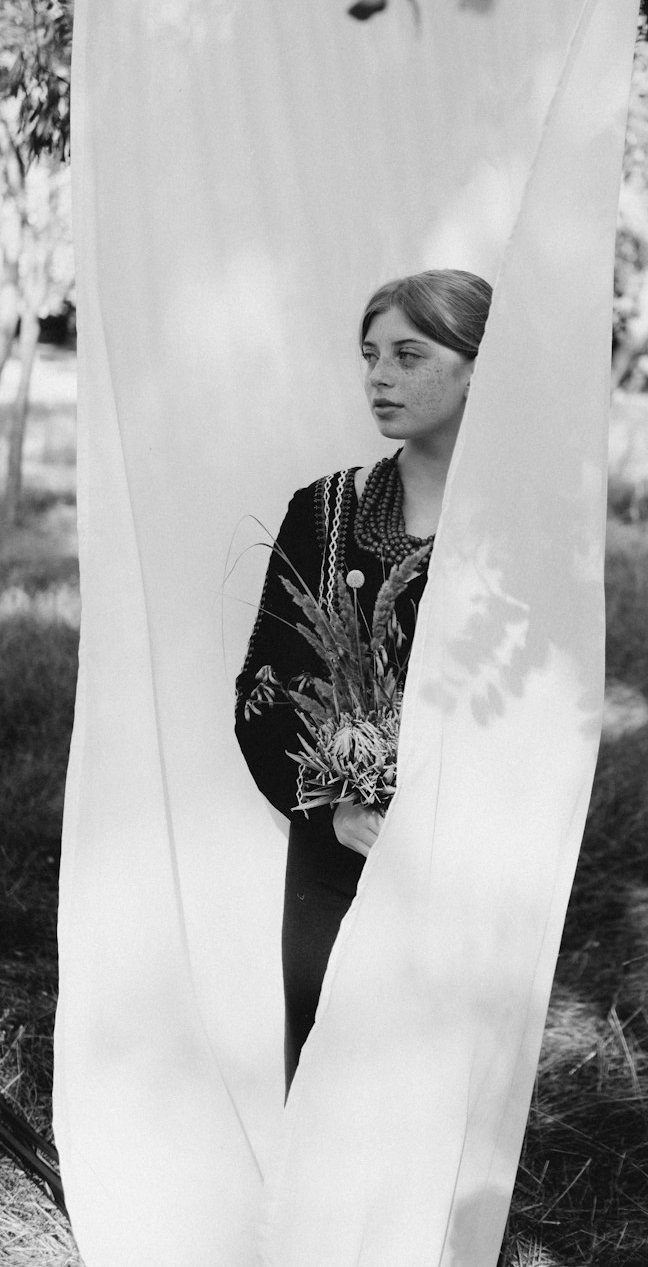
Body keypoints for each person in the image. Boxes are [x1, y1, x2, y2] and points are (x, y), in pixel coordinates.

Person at [235, 268, 492, 1089]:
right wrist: (337, 800)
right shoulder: (327, 511)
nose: (379, 377)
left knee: (439, 1068)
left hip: (474, 847)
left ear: (479, 366)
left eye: (409, 355)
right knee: (325, 1056)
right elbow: (264, 687)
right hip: (338, 840)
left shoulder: (524, 530)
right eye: (369, 354)